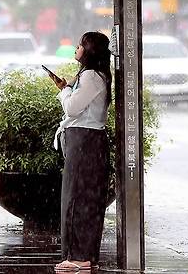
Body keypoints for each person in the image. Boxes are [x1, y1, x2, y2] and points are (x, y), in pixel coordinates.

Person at [50, 32, 112, 273]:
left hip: (84, 142)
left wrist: (64, 92)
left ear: (89, 50)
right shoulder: (97, 76)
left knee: (76, 198)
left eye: (80, 45)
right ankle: (84, 256)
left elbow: (73, 109)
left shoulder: (90, 76)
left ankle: (78, 257)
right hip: (89, 141)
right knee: (87, 199)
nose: (76, 48)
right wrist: (67, 87)